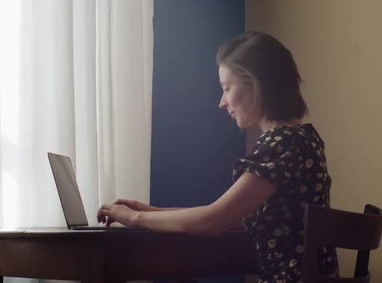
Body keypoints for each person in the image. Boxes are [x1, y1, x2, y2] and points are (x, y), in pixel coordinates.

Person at [97, 31, 339, 283]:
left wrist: (135, 218)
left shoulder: (281, 145)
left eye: (227, 88)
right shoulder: (303, 139)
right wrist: (152, 211)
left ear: (257, 84)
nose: (222, 102)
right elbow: (225, 214)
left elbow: (213, 220)